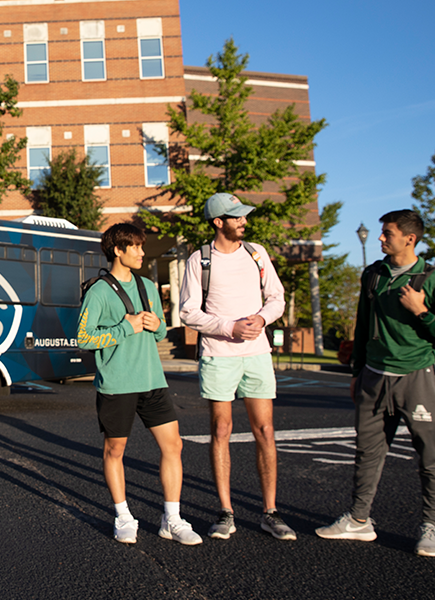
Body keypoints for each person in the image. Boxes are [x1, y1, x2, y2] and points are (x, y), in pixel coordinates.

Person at [315, 209, 435, 557]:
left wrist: (422, 312)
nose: (381, 238)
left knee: (430, 456)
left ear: (409, 238)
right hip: (374, 376)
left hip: (418, 377)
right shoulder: (373, 275)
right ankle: (358, 519)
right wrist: (357, 373)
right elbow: (362, 326)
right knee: (367, 452)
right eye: (382, 233)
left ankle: (432, 526)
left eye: (388, 233)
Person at [179, 192, 296, 541]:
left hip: (257, 354)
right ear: (219, 222)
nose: (244, 221)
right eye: (237, 217)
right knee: (222, 431)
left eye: (244, 217)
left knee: (265, 431)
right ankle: (225, 512)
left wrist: (261, 318)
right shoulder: (198, 260)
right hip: (218, 355)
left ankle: (270, 513)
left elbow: (277, 298)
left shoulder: (257, 253)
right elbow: (188, 312)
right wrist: (229, 327)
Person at [77, 223, 202, 546]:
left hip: (152, 381)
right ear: (118, 250)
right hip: (117, 385)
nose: (142, 252)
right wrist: (124, 328)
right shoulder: (99, 291)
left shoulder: (147, 286)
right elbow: (84, 338)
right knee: (115, 450)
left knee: (173, 446)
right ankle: (123, 516)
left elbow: (159, 334)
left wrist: (158, 325)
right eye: (135, 247)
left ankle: (171, 519)